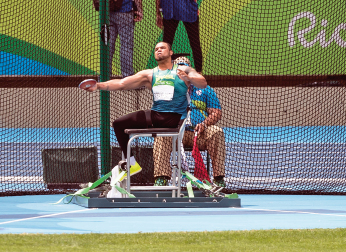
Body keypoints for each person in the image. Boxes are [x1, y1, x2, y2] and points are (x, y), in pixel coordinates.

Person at [82, 42, 207, 176]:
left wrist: (188, 78)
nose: (159, 50)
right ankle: (132, 164)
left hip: (176, 119)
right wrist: (98, 86)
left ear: (171, 53)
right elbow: (122, 84)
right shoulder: (149, 74)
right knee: (118, 124)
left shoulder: (182, 70)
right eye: (156, 49)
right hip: (156, 117)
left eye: (162, 48)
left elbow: (203, 83)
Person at [153, 56, 226, 187]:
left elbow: (216, 112)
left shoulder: (205, 89)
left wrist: (204, 124)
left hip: (199, 133)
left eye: (185, 70)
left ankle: (219, 178)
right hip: (175, 134)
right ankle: (161, 177)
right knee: (161, 135)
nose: (182, 73)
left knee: (217, 132)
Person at [156, 0, 203, 73]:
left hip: (187, 9)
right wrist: (158, 13)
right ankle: (164, 73)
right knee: (166, 44)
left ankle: (199, 74)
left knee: (195, 43)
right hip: (170, 9)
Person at [108, 0, 143, 77]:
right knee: (126, 45)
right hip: (125, 12)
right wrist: (139, 10)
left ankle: (104, 77)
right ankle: (127, 77)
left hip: (108, 11)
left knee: (108, 45)